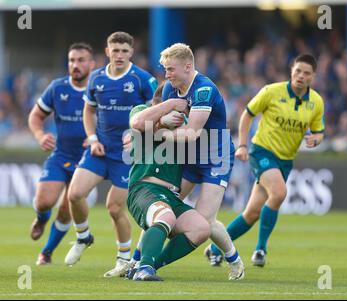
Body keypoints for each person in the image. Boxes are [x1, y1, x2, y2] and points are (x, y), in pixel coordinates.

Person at [207, 54, 325, 267]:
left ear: (313, 76)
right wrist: (242, 145)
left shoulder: (316, 102)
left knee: (251, 213)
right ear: (291, 70)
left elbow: (319, 131)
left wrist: (315, 139)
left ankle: (215, 248)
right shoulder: (271, 91)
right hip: (262, 152)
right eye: (298, 71)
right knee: (279, 193)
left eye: (306, 73)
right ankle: (260, 249)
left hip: (285, 160)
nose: (301, 76)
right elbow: (247, 115)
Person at [64, 31, 157, 278]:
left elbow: (156, 115)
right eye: (115, 50)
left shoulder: (143, 80)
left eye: (124, 51)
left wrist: (138, 136)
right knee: (74, 194)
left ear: (131, 52)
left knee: (114, 208)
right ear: (107, 52)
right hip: (100, 149)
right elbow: (88, 112)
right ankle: (83, 237)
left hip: (128, 155)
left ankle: (124, 259)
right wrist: (93, 139)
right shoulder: (96, 79)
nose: (119, 55)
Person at [157, 43, 244, 280]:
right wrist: (164, 120)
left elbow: (192, 132)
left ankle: (234, 260)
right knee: (161, 207)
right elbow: (164, 121)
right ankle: (137, 261)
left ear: (188, 66)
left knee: (204, 221)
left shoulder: (204, 89)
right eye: (165, 69)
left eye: (171, 69)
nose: (167, 75)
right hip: (190, 158)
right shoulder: (169, 89)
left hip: (216, 158)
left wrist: (161, 133)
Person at [127, 85, 211, 281]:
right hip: (143, 188)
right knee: (165, 216)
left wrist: (166, 125)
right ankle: (144, 268)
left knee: (201, 228)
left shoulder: (185, 124)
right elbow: (138, 123)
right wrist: (168, 110)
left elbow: (195, 132)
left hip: (170, 195)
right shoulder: (141, 110)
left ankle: (147, 265)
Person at [28, 43, 95, 265]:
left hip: (87, 160)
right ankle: (41, 218)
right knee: (44, 201)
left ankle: (46, 252)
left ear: (91, 63)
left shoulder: (99, 88)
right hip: (61, 155)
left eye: (81, 60)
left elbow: (115, 120)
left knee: (67, 208)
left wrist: (97, 137)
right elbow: (35, 116)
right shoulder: (57, 88)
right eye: (72, 60)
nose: (75, 65)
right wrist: (39, 135)